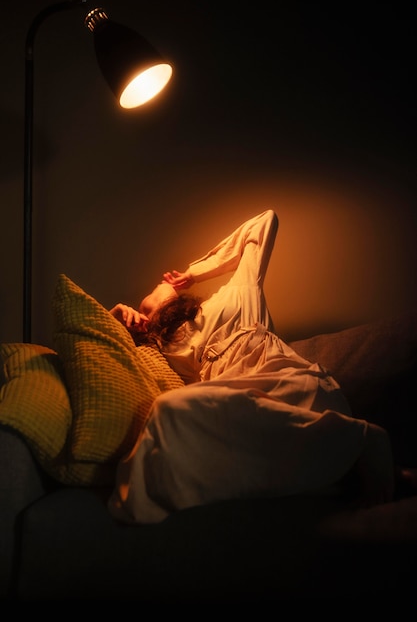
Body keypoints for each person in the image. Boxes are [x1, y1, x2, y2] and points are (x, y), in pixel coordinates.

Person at [108, 210, 395, 524]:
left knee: (300, 404)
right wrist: (117, 319)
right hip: (237, 402)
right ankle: (351, 462)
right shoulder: (160, 348)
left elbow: (263, 222)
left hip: (286, 381)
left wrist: (194, 273)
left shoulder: (235, 294)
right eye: (144, 301)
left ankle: (363, 440)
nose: (153, 292)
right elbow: (114, 362)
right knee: (169, 409)